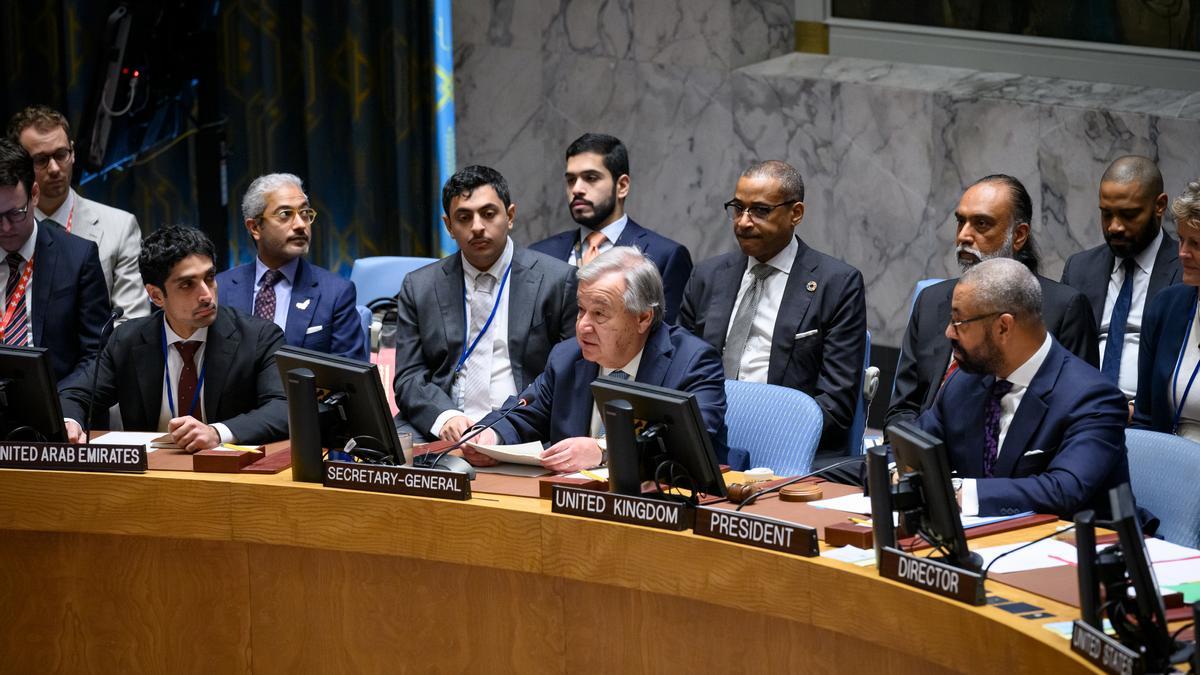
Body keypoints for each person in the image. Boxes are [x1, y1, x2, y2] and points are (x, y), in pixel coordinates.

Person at [470, 247, 727, 473]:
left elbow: (689, 445)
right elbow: (525, 414)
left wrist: (604, 450)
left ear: (642, 318)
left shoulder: (693, 362)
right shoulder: (567, 358)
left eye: (599, 314)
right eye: (581, 310)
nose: (582, 326)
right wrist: (489, 435)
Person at [913, 258, 1130, 519]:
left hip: (1078, 547)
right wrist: (895, 470)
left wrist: (959, 492)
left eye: (960, 322)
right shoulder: (964, 383)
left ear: (1003, 327)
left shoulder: (1093, 398)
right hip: (989, 541)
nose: (949, 332)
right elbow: (915, 445)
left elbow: (1063, 490)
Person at [680, 160, 865, 457]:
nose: (743, 222)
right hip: (703, 442)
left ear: (796, 213)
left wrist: (763, 434)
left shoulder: (837, 284)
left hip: (787, 448)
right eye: (738, 208)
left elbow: (836, 402)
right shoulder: (707, 277)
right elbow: (678, 372)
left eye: (760, 210)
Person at [887, 174, 1098, 429]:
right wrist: (915, 455)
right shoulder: (931, 301)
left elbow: (1075, 415)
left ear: (1018, 235)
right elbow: (902, 410)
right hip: (923, 455)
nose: (964, 236)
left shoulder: (1064, 309)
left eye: (981, 224)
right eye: (960, 222)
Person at [59, 225, 288, 451]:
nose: (207, 295)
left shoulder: (259, 337)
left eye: (209, 278)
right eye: (187, 284)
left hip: (231, 474)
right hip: (153, 476)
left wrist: (217, 432)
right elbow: (75, 394)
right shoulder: (128, 340)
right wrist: (70, 422)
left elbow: (283, 408)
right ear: (156, 295)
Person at [393, 165, 577, 443]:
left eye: (488, 214)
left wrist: (503, 428)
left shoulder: (557, 281)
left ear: (510, 216)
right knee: (383, 457)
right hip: (442, 426)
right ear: (449, 227)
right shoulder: (420, 287)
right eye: (464, 217)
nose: (477, 227)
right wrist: (445, 417)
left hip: (522, 427)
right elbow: (409, 378)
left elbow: (569, 375)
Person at [530, 133, 692, 323]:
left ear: (622, 186)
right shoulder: (539, 255)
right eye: (571, 180)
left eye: (591, 178)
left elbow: (669, 341)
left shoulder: (665, 256)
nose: (576, 189)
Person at [8, 105, 146, 324]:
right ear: (19, 164)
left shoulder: (120, 227)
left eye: (61, 154)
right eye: (40, 160)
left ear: (72, 152)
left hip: (97, 354)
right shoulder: (7, 228)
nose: (54, 168)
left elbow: (131, 323)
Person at [1062, 156, 1180, 399]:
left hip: (1153, 418)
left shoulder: (1186, 268)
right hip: (1086, 413)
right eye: (1106, 214)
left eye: (1128, 214)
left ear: (1159, 206)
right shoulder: (1080, 268)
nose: (1114, 227)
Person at [216, 173, 366, 361]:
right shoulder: (219, 289)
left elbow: (349, 378)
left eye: (305, 213)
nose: (300, 225)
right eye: (285, 215)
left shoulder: (336, 293)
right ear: (255, 227)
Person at [0, 138, 109, 384]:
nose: (5, 227)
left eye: (15, 213)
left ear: (34, 195)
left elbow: (96, 355)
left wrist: (65, 411)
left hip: (58, 406)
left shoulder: (79, 258)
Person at [1134, 179, 1200, 439]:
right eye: (1181, 240)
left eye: (1196, 244)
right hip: (1167, 466)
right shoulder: (1166, 307)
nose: (1182, 253)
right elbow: (1144, 416)